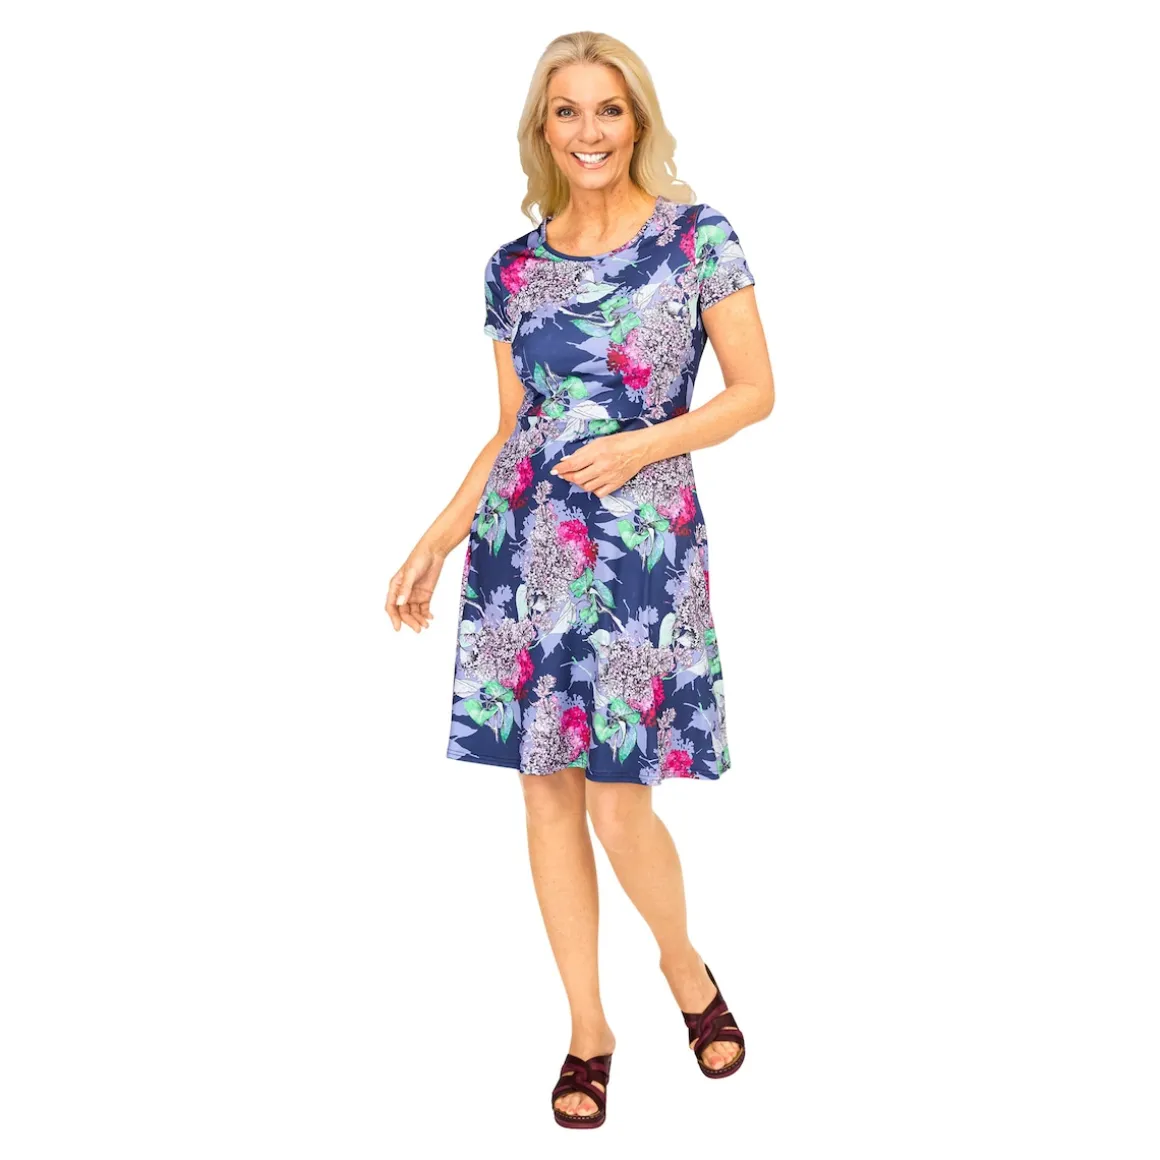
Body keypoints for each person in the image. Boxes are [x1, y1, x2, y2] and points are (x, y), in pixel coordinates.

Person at [385, 31, 775, 1129]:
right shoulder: (511, 268)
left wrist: (644, 444)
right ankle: (588, 1029)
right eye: (567, 111)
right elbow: (513, 426)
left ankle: (683, 966)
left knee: (618, 799)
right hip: (523, 550)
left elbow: (753, 390)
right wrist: (437, 537)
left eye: (609, 109)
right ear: (542, 128)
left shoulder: (697, 239)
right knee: (545, 789)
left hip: (641, 551)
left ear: (637, 120)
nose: (589, 130)